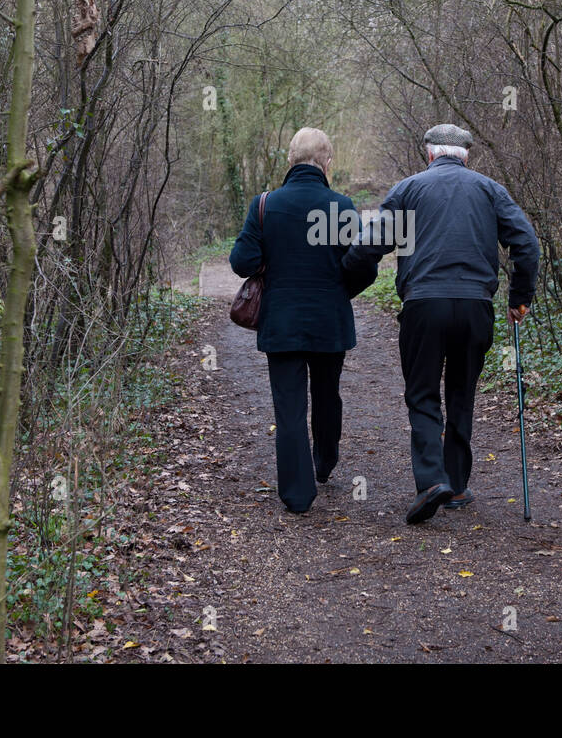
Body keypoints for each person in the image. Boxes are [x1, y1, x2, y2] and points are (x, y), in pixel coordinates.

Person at [342, 124, 539, 524]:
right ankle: (457, 485)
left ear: (429, 154)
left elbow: (369, 244)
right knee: (462, 392)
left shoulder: (409, 189)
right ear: (466, 156)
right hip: (475, 307)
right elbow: (527, 246)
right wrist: (520, 298)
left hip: (424, 305)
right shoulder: (490, 190)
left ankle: (432, 480)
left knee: (423, 393)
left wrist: (344, 278)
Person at [230, 128, 371, 514]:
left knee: (289, 407)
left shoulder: (265, 205)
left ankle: (297, 493)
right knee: (327, 395)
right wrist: (340, 290)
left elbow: (241, 261)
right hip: (330, 321)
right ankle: (324, 462)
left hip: (282, 322)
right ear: (328, 163)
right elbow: (364, 265)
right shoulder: (341, 207)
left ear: (289, 160)